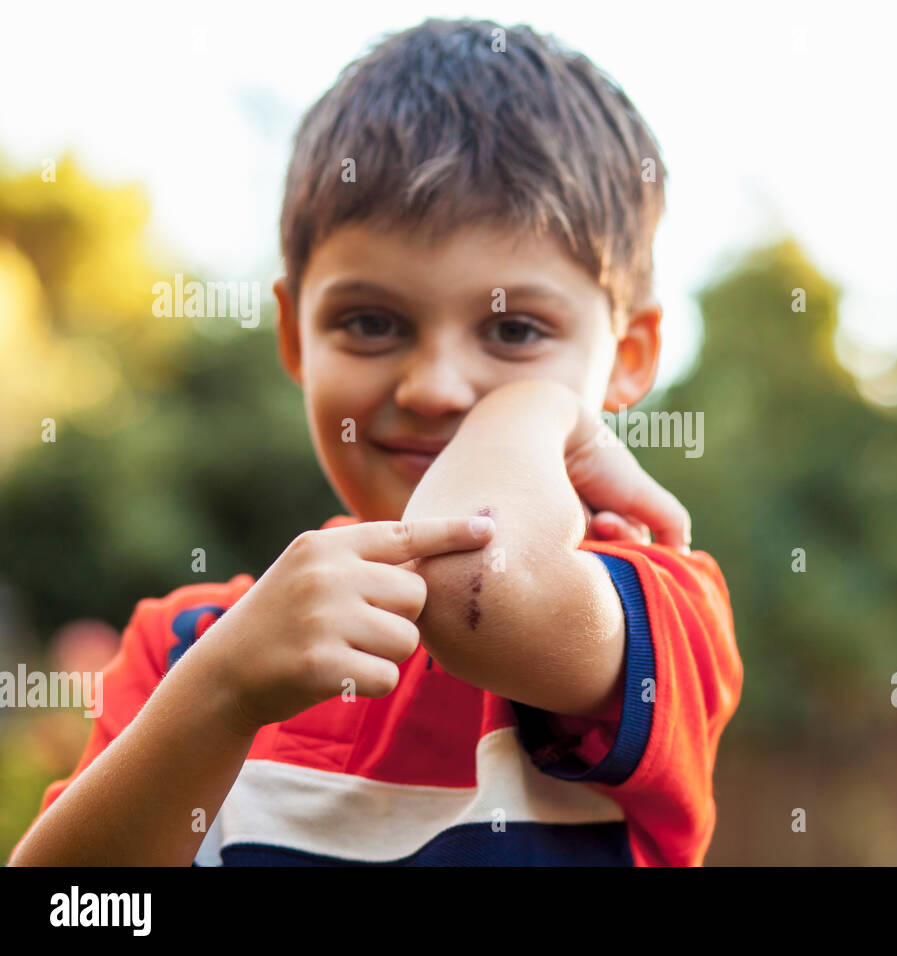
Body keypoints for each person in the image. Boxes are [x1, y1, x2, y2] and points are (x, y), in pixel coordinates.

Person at [9, 17, 741, 867]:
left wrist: (531, 414)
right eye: (370, 322)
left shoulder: (658, 603)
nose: (433, 386)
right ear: (293, 337)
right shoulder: (189, 649)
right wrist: (221, 693)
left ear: (631, 357)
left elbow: (479, 589)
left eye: (513, 330)